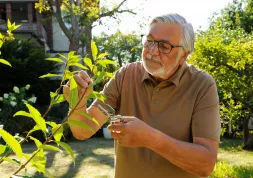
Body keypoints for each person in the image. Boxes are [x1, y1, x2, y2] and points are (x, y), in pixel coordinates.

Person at [63, 13, 221, 178]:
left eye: (164, 46)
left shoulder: (202, 85)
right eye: (149, 41)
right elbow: (82, 130)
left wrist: (150, 138)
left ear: (183, 56)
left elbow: (206, 165)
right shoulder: (126, 75)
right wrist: (77, 102)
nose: (152, 51)